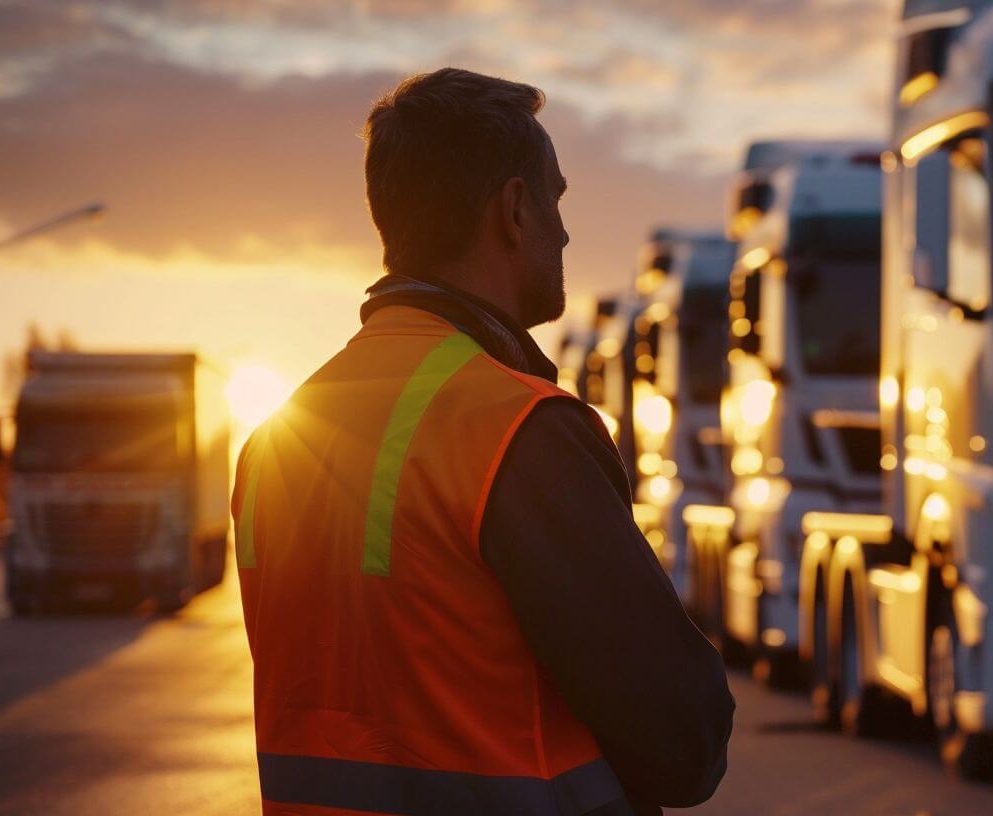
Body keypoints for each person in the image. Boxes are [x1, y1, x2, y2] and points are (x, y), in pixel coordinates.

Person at [232, 67, 734, 816]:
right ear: (516, 209)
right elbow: (681, 744)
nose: (565, 231)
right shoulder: (520, 431)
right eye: (557, 199)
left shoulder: (274, 442)